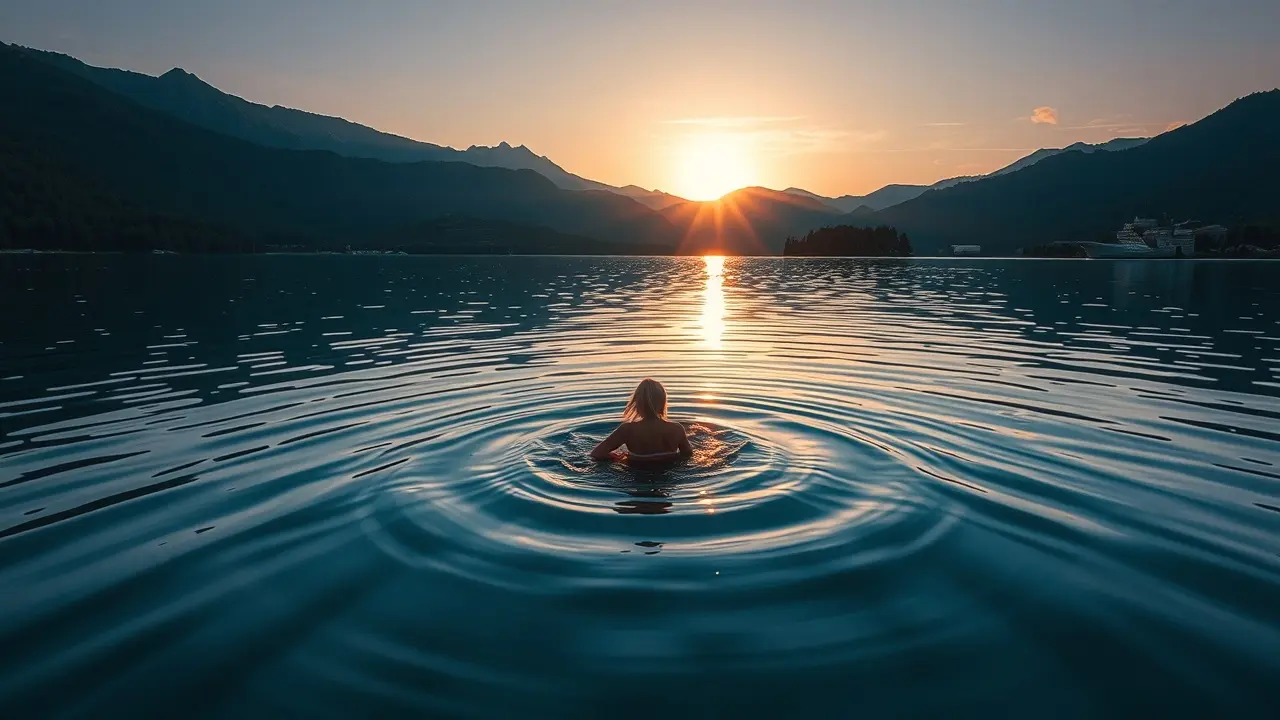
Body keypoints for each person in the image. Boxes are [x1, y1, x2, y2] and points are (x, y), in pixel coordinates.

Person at [590, 378, 693, 463]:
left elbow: (597, 454)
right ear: (663, 403)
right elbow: (688, 454)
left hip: (637, 472)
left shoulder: (627, 430)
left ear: (636, 403)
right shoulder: (677, 429)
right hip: (668, 473)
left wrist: (615, 457)